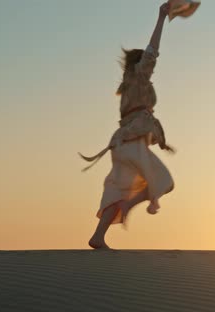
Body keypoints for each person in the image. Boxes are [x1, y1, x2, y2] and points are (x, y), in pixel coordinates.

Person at [80, 2, 175, 249]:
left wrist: (161, 141)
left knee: (119, 188)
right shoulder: (140, 78)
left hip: (121, 143)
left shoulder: (128, 87)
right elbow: (153, 50)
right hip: (131, 143)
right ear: (139, 64)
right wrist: (161, 17)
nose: (148, 62)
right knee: (164, 181)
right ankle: (129, 205)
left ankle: (98, 236)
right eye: (144, 61)